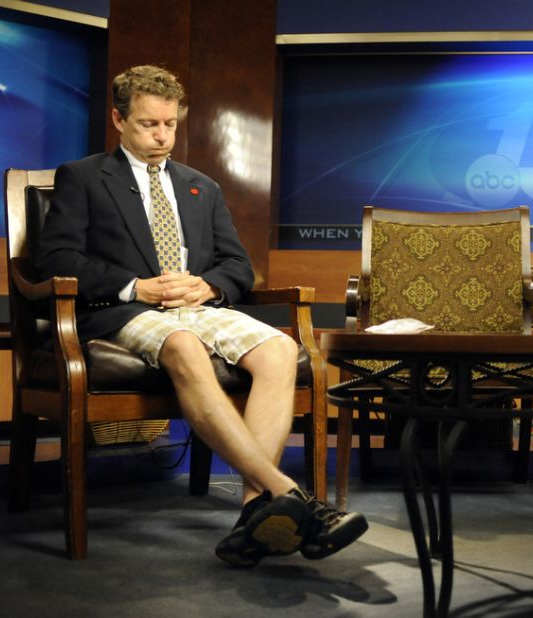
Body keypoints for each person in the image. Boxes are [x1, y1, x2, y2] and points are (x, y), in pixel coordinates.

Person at [36, 64, 367, 567]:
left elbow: (240, 266)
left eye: (170, 124)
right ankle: (289, 496)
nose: (162, 136)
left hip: (196, 304)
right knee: (184, 346)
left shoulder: (201, 187)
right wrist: (135, 285)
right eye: (149, 124)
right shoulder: (82, 177)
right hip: (124, 310)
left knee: (280, 348)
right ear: (118, 120)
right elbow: (56, 259)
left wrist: (208, 284)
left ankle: (255, 517)